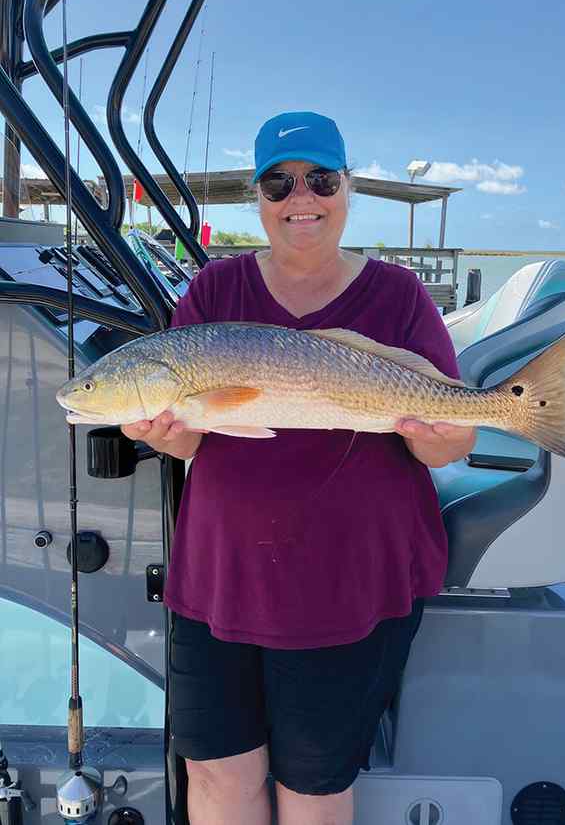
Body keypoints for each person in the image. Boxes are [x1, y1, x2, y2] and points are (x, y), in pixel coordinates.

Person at [122, 111, 476, 825]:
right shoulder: (214, 295)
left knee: (313, 788)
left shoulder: (398, 296)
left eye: (320, 179)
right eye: (278, 183)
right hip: (220, 579)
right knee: (217, 776)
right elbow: (197, 442)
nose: (300, 198)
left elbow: (452, 441)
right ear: (257, 198)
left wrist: (434, 429)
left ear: (347, 190)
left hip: (346, 582)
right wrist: (163, 433)